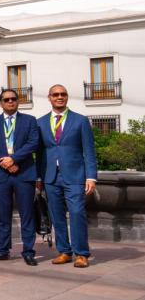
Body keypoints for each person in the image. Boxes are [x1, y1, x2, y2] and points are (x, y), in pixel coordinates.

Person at [37, 85, 97, 268]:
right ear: (49, 98)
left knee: (77, 213)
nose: (59, 97)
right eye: (56, 95)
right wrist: (39, 178)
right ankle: (64, 251)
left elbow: (89, 151)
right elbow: (39, 154)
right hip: (50, 177)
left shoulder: (80, 121)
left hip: (75, 176)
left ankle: (81, 253)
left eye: (63, 94)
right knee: (56, 216)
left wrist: (91, 177)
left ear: (67, 97)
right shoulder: (40, 122)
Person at [0, 89, 40, 266]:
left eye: (13, 99)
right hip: (0, 174)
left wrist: (14, 159)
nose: (10, 102)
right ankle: (2, 250)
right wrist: (4, 162)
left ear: (17, 102)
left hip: (23, 172)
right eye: (6, 99)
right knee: (3, 215)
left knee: (27, 214)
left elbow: (33, 143)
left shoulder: (29, 121)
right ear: (0, 103)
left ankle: (28, 251)